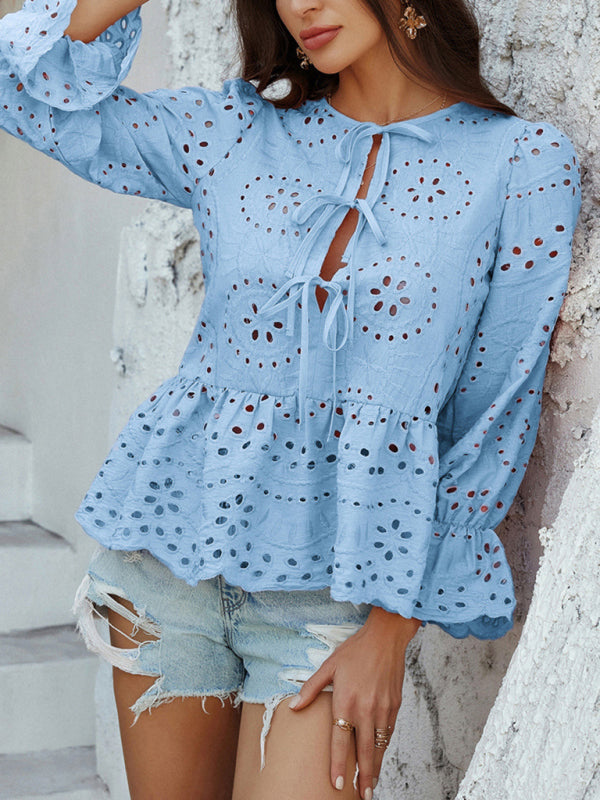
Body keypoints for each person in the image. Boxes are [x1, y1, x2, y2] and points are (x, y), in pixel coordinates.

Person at [0, 0, 582, 797]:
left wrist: (391, 628)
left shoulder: (522, 163)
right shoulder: (235, 131)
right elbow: (20, 84)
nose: (301, 3)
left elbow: (493, 412)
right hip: (163, 570)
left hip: (334, 598)